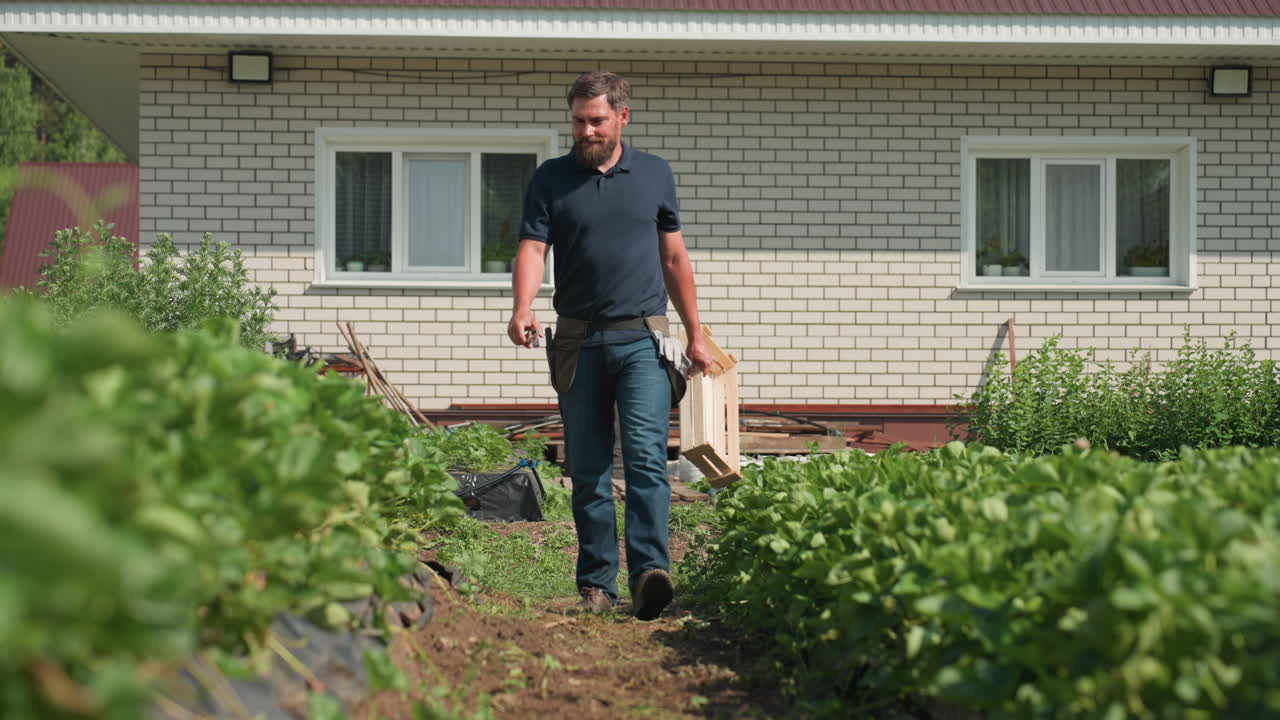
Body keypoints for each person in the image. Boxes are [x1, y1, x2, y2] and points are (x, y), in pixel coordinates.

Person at [506, 71, 712, 620]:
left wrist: (696, 335)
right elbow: (532, 247)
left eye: (596, 119)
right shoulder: (551, 178)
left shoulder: (653, 174)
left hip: (644, 339)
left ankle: (650, 574)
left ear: (623, 116)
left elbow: (674, 259)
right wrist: (522, 306)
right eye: (578, 120)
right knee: (590, 468)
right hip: (578, 342)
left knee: (646, 460)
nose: (586, 129)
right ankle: (598, 584)